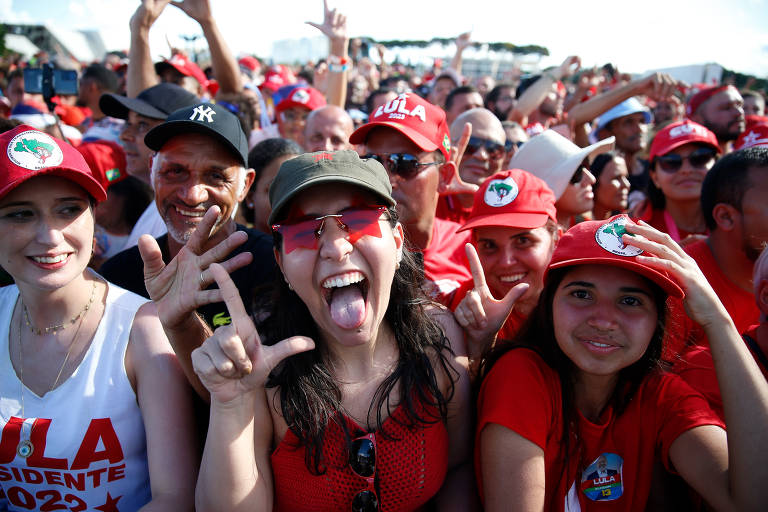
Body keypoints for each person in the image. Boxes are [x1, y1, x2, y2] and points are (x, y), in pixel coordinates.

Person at [192, 150, 473, 511]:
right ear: (280, 262)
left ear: (398, 241)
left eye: (357, 220)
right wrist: (230, 403)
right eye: (304, 231)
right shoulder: (261, 369)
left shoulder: (440, 339)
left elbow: (459, 470)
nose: (336, 248)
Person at [476, 214, 768, 511]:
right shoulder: (521, 374)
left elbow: (754, 500)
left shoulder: (661, 395)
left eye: (630, 301)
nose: (603, 321)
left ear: (658, 319)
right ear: (549, 305)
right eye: (581, 294)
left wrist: (717, 321)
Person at [0, 125, 197, 510]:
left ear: (95, 219)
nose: (50, 236)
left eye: (69, 210)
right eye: (21, 214)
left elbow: (176, 498)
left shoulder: (143, 330)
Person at [100, 102, 277, 330]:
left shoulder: (276, 270)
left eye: (215, 176)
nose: (193, 195)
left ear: (245, 186)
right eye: (175, 172)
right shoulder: (118, 280)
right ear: (153, 171)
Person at [349, 91, 474, 305]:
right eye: (372, 162)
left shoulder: (473, 247)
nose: (386, 179)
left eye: (405, 163)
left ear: (444, 176)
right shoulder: (344, 250)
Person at [450, 169, 559, 363]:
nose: (506, 262)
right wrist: (478, 345)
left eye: (523, 241)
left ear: (556, 239)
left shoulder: (584, 301)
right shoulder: (468, 307)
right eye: (490, 246)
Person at [510, 129, 614, 229]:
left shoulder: (588, 230)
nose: (591, 179)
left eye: (586, 166)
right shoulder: (538, 245)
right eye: (576, 172)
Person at [636, 120, 719, 243]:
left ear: (717, 165)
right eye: (671, 162)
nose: (686, 170)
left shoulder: (741, 222)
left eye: (700, 158)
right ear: (655, 178)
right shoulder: (636, 231)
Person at [436, 108, 506, 224]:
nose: (482, 155)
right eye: (471, 145)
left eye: (493, 149)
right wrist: (431, 197)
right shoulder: (422, 191)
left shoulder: (507, 209)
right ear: (448, 145)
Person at [244, 137, 302, 234]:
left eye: (298, 189)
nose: (289, 199)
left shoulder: (324, 246)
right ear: (250, 197)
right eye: (277, 190)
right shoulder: (234, 246)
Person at [687, 85, 745, 154]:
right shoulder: (687, 163)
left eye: (740, 105)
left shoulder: (747, 159)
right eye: (726, 108)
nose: (739, 112)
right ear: (697, 119)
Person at [590, 151, 630, 219]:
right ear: (594, 181)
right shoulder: (571, 225)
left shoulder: (629, 224)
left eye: (626, 177)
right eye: (616, 178)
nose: (626, 184)